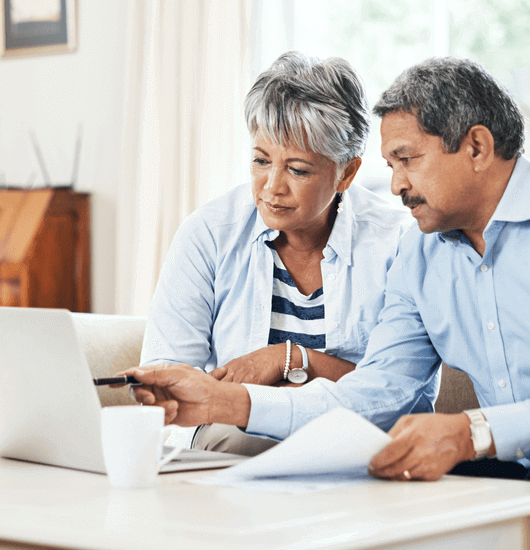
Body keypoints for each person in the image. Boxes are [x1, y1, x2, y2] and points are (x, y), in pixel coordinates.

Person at [126, 56, 530, 481]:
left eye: (407, 160)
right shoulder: (423, 252)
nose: (396, 186)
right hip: (504, 478)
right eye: (391, 166)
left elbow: (401, 412)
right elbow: (378, 392)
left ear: (477, 148)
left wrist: (474, 433)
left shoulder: (398, 243)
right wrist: (221, 402)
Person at [139, 51, 411, 455]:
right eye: (261, 161)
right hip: (233, 444)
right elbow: (167, 380)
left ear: (347, 173)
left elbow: (400, 395)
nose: (271, 187)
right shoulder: (209, 233)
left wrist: (290, 359)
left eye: (297, 169)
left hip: (353, 444)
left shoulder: (396, 244)